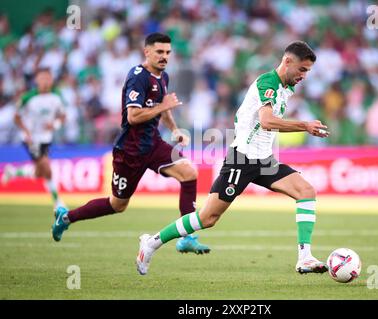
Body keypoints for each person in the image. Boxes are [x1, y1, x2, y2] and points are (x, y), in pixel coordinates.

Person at [135, 41, 330, 276]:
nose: (304, 76)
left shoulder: (286, 89)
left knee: (306, 191)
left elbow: (252, 120)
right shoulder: (268, 82)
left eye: (307, 71)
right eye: (302, 69)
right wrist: (305, 126)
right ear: (287, 61)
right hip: (243, 160)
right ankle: (152, 242)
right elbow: (267, 121)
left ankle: (305, 258)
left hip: (264, 160)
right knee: (208, 218)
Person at [51, 33, 210, 254]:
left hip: (153, 144)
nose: (164, 57)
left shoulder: (163, 77)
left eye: (167, 53)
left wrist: (174, 129)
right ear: (147, 52)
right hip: (130, 151)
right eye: (159, 52)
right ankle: (67, 217)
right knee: (118, 205)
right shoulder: (138, 76)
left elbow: (161, 107)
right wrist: (162, 107)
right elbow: (133, 116)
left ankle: (186, 237)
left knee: (189, 173)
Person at [2, 68, 66, 209]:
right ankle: (58, 203)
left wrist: (54, 125)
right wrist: (27, 132)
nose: (45, 81)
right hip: (31, 139)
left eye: (48, 78)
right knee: (47, 168)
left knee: (40, 172)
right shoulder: (27, 97)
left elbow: (63, 116)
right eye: (42, 78)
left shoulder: (56, 96)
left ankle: (13, 172)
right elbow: (16, 117)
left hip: (46, 138)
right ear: (36, 80)